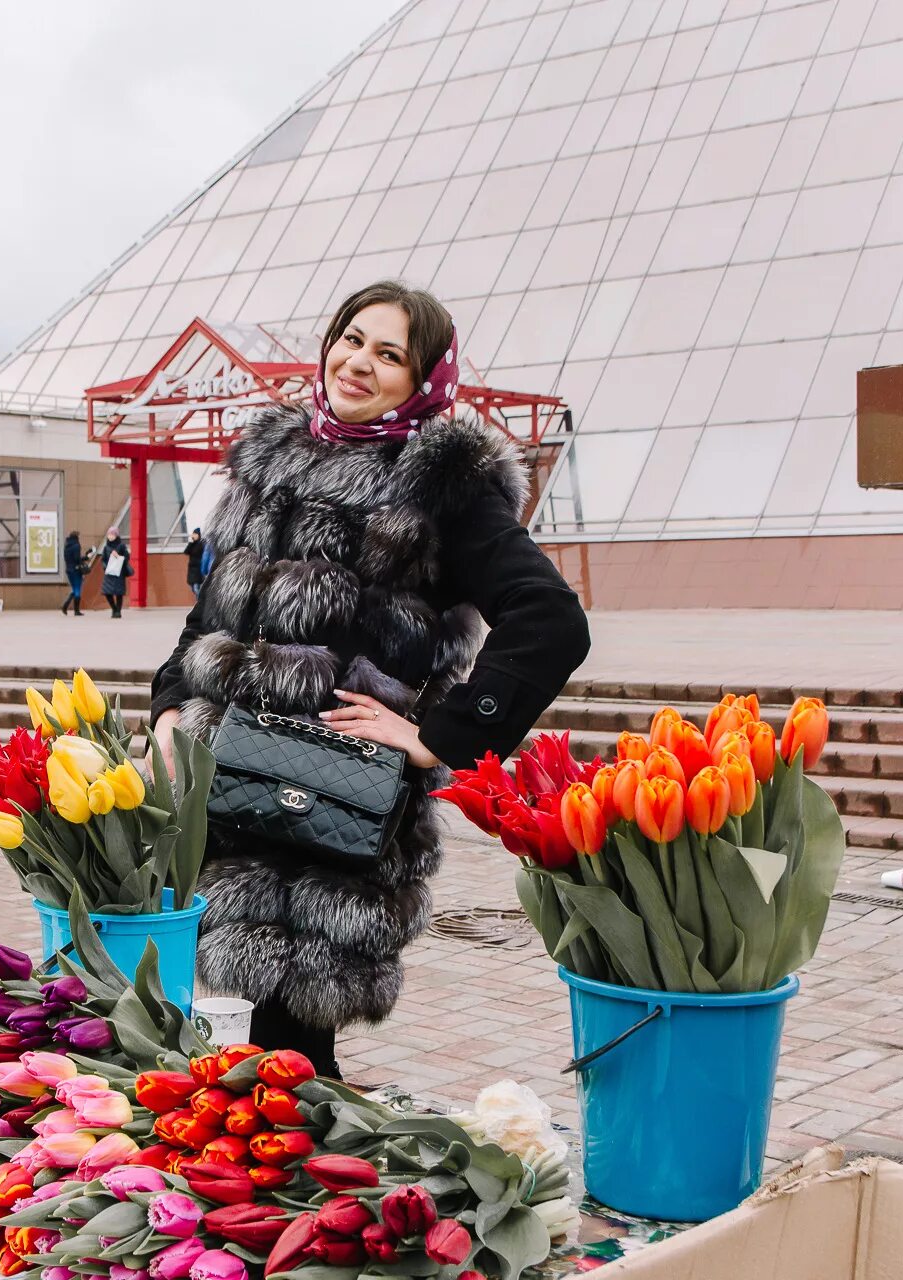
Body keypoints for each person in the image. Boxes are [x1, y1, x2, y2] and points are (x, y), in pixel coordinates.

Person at [148, 281, 591, 1077]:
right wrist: (171, 708)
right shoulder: (269, 458)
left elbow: (551, 620)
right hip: (227, 786)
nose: (358, 363)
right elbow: (212, 612)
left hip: (329, 798)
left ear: (423, 379)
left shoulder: (439, 483)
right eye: (351, 339)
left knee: (292, 1046)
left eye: (389, 355)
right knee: (237, 1045)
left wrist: (439, 737)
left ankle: (311, 1151)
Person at [98, 527, 131, 618]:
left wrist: (118, 556)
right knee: (107, 592)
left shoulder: (121, 546)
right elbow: (103, 559)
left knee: (119, 593)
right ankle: (114, 608)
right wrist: (105, 567)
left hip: (119, 573)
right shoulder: (106, 547)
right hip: (109, 573)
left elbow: (127, 557)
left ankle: (118, 611)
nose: (110, 536)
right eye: (109, 534)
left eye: (112, 534)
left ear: (116, 535)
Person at [60, 530, 86, 616]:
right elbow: (77, 558)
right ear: (76, 537)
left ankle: (65, 606)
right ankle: (76, 611)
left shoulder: (67, 545)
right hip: (76, 570)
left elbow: (69, 558)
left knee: (75, 589)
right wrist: (84, 559)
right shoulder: (76, 545)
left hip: (69, 570)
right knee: (77, 589)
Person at [184, 528, 207, 601]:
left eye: (195, 534)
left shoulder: (201, 544)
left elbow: (197, 552)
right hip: (191, 569)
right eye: (193, 534)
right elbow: (186, 552)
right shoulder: (192, 544)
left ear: (198, 535)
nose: (193, 535)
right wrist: (191, 542)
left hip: (198, 568)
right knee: (193, 588)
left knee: (196, 588)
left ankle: (200, 602)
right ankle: (200, 601)